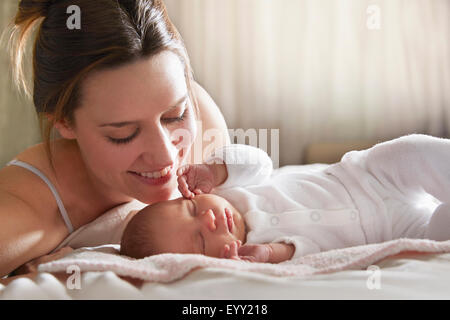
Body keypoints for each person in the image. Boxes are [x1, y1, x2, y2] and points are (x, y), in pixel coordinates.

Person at [0, 0, 229, 279]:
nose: (166, 156)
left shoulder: (204, 125)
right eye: (123, 134)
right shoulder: (24, 211)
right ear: (63, 121)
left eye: (175, 116)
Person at [120, 134, 450, 263]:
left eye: (191, 209)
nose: (209, 219)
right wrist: (269, 254)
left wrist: (216, 170)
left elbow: (260, 162)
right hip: (394, 232)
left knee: (413, 153)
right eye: (200, 240)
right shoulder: (253, 256)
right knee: (439, 235)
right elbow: (305, 253)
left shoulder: (230, 190)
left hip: (367, 178)